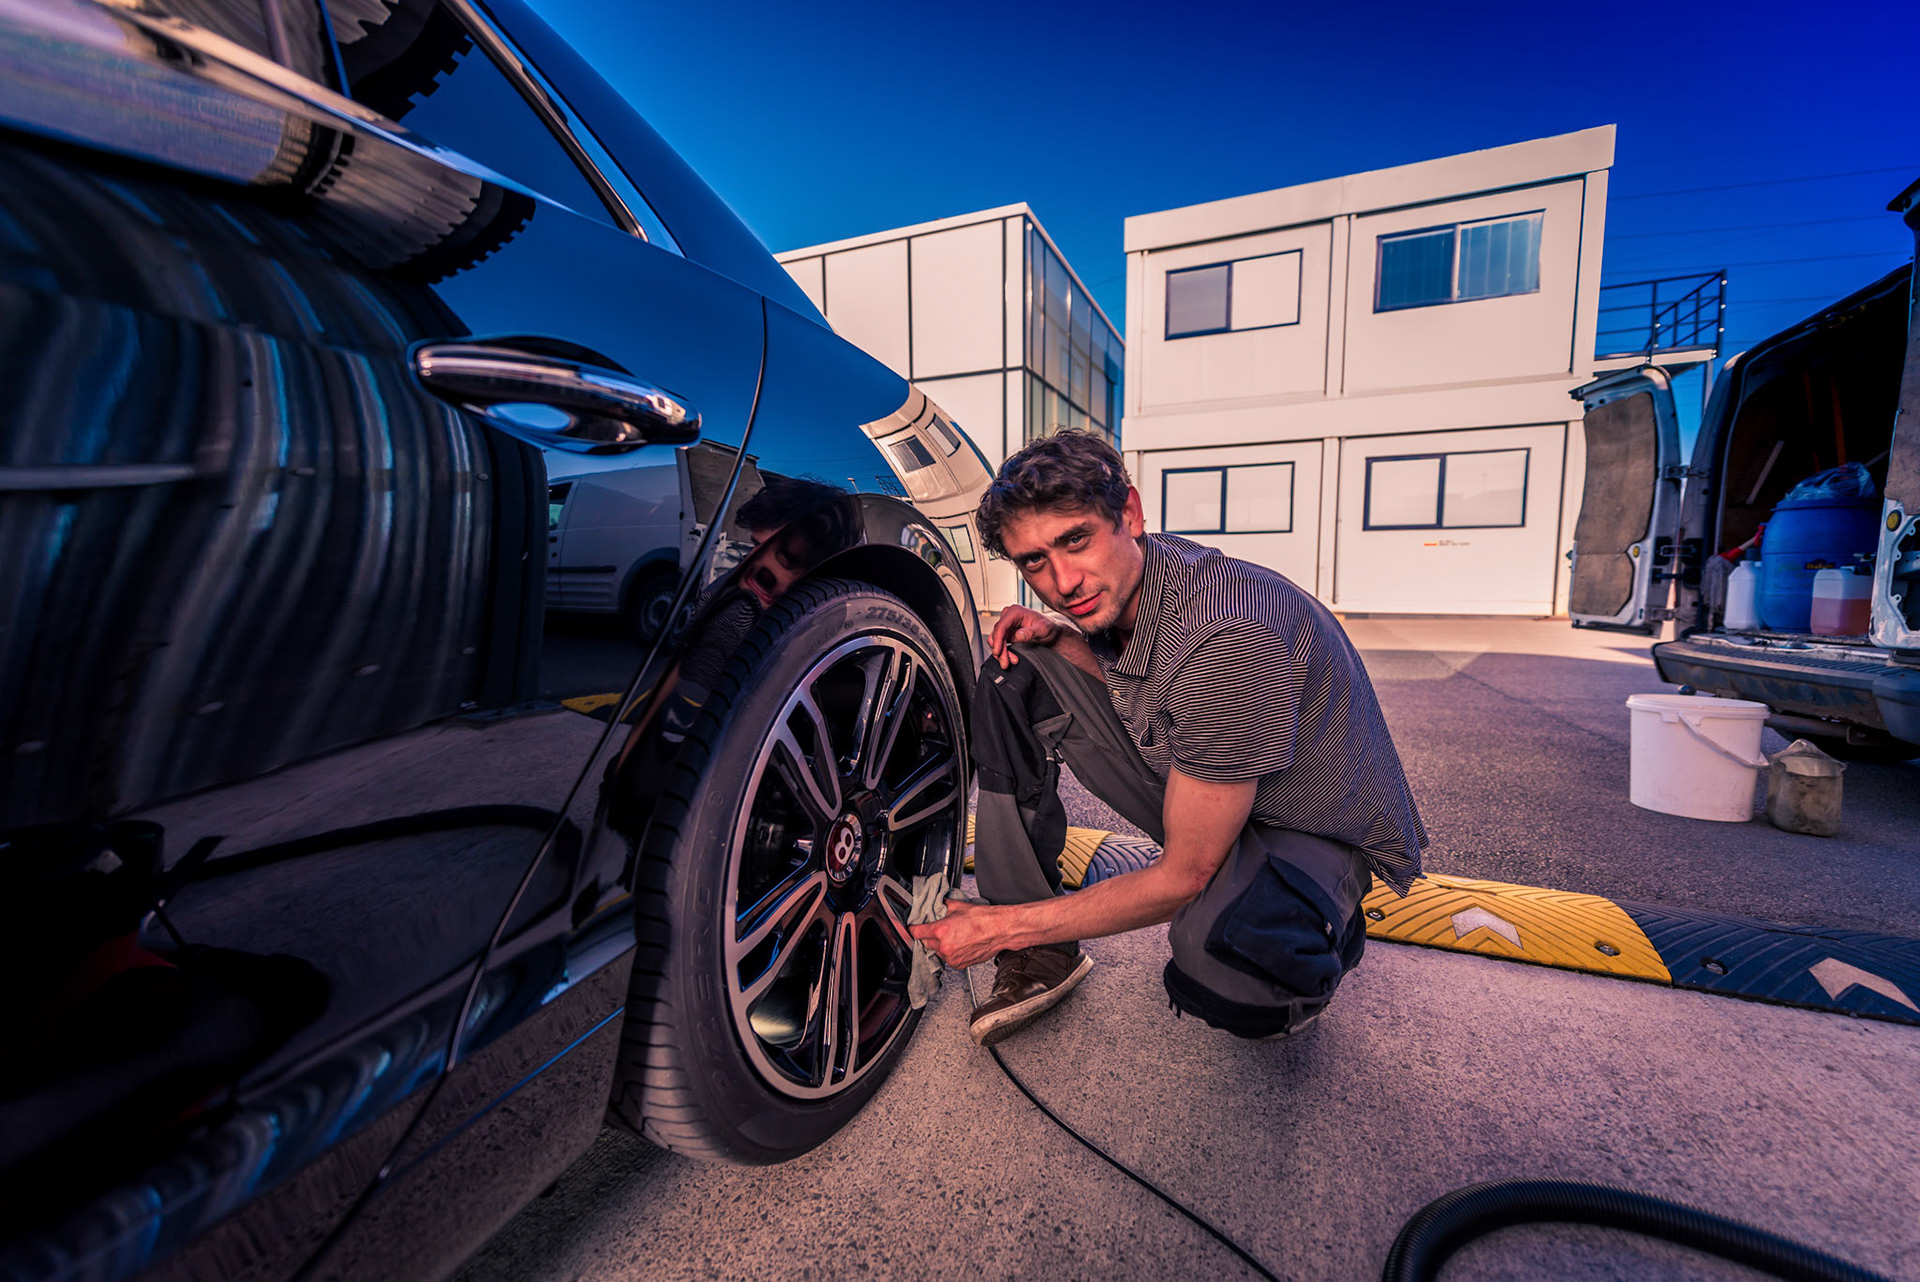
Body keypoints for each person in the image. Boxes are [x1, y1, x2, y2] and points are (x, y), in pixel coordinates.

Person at [910, 432, 1426, 1044]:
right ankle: (1045, 952)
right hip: (1213, 787)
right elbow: (1153, 674)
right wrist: (1061, 640)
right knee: (1013, 671)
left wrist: (1002, 928)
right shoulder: (1142, 576)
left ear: (1128, 512)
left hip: (1307, 826)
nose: (1064, 581)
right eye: (1034, 561)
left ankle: (1317, 915)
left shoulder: (1230, 634)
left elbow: (1183, 875)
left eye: (1075, 539)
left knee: (1226, 962)